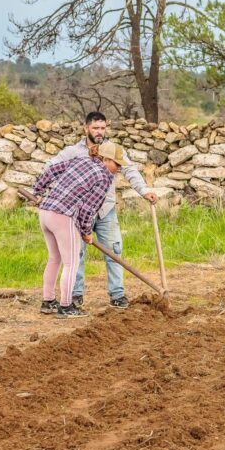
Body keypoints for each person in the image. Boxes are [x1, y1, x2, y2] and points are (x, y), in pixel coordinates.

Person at [46, 111, 159, 310]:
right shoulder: (73, 152)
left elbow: (130, 170)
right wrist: (51, 193)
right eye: (95, 128)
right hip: (77, 212)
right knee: (76, 254)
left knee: (114, 250)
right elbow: (51, 167)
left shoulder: (113, 150)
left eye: (103, 128)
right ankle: (75, 294)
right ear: (86, 128)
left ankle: (117, 295)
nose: (99, 132)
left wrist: (145, 191)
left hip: (106, 211)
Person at [31, 141, 118, 319]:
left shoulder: (80, 160)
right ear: (107, 159)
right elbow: (88, 209)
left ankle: (48, 302)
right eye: (117, 164)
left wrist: (38, 191)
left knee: (54, 258)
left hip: (45, 211)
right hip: (63, 216)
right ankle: (66, 306)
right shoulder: (103, 177)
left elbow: (51, 171)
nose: (119, 168)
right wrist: (86, 231)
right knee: (71, 263)